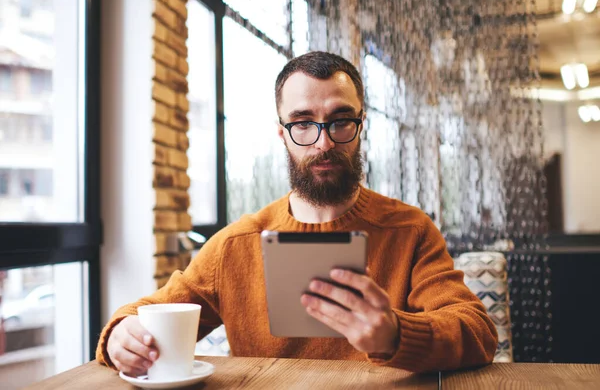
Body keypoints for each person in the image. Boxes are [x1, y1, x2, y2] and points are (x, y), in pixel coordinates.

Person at [97, 51, 498, 375]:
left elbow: (478, 332)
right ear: (282, 133)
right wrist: (120, 336)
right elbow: (148, 312)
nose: (323, 143)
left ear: (361, 126)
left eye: (341, 121)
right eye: (303, 123)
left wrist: (395, 334)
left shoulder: (410, 231)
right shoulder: (237, 244)